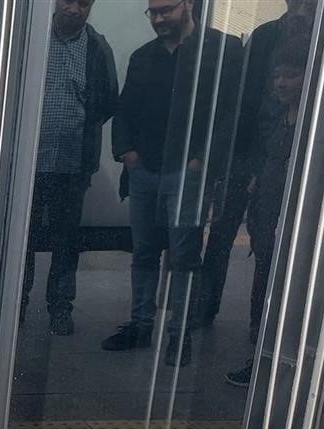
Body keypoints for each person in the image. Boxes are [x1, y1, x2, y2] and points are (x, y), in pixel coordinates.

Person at [102, 0, 242, 367]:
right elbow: (125, 109)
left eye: (166, 9)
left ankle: (180, 335)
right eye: (153, 12)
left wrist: (203, 161)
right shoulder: (143, 56)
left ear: (188, 4)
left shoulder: (222, 50)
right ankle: (140, 326)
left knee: (184, 256)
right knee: (144, 253)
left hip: (187, 171)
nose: (159, 18)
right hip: (145, 168)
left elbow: (229, 112)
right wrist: (126, 152)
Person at [193, 0, 318, 331]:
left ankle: (260, 325)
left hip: (290, 151)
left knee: (270, 245)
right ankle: (206, 309)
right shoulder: (265, 36)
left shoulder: (315, 37)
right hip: (248, 150)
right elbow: (239, 96)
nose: (300, 10)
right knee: (222, 234)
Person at [21, 0, 116, 335]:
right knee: (22, 239)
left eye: (84, 3)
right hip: (28, 166)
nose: (75, 10)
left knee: (66, 242)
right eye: (68, 1)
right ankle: (15, 305)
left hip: (73, 165)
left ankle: (60, 309)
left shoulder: (97, 48)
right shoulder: (31, 38)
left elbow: (107, 102)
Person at [224, 37, 311, 387]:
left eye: (290, 75)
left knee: (290, 297)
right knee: (265, 292)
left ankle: (280, 366)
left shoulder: (313, 124)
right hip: (267, 223)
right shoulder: (278, 116)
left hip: (295, 226)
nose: (281, 83)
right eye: (277, 76)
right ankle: (262, 356)